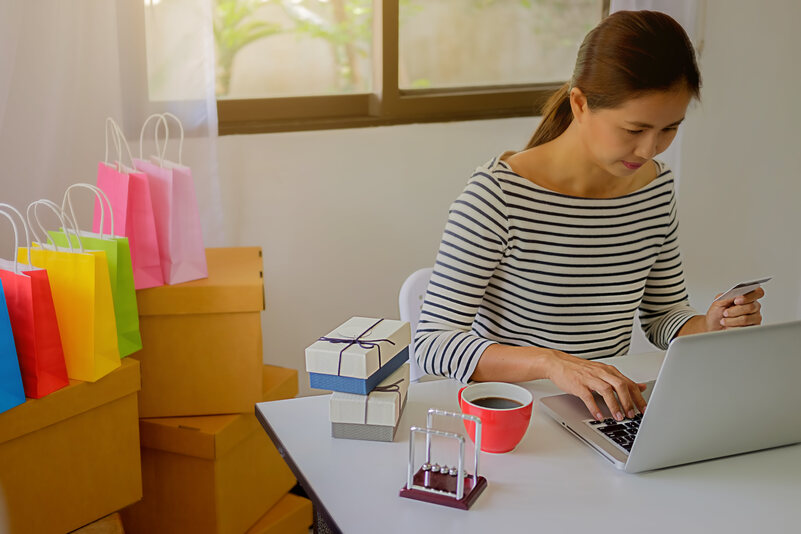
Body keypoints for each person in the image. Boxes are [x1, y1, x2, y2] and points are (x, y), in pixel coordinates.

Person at [414, 10, 765, 423]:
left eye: (670, 129)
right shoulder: (498, 196)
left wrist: (708, 326)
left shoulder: (655, 189)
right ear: (580, 104)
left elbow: (662, 315)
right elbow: (431, 344)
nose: (650, 149)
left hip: (604, 416)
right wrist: (552, 363)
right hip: (519, 421)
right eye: (634, 130)